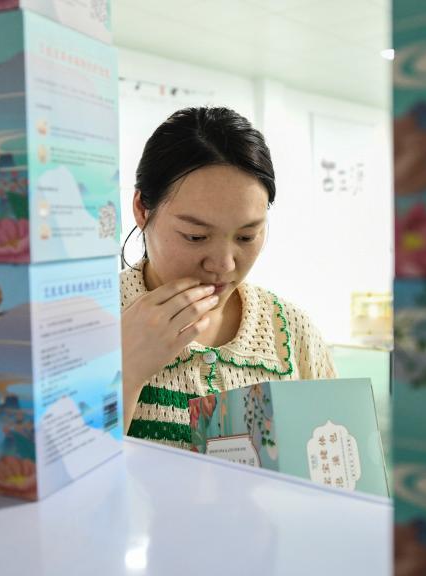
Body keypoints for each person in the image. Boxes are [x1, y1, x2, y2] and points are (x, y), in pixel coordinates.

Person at [121, 106, 336, 450]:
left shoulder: (291, 330)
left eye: (246, 237)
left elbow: (337, 465)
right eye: (195, 236)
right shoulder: (89, 320)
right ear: (142, 209)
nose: (223, 265)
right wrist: (125, 371)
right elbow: (58, 470)